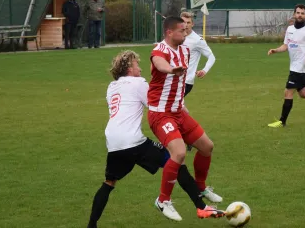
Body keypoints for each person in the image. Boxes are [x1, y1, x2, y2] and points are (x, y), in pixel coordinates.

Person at [87, 50, 224, 228]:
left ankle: (91, 225)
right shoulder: (138, 83)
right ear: (129, 67)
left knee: (109, 182)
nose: (140, 68)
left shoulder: (112, 87)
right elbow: (159, 104)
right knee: (177, 161)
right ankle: (201, 207)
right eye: (137, 64)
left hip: (113, 142)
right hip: (133, 141)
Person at [147, 16, 223, 221]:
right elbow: (160, 63)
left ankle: (201, 187)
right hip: (160, 114)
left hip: (178, 111)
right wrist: (171, 69)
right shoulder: (159, 50)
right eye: (182, 30)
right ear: (169, 32)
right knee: (179, 153)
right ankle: (163, 200)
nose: (186, 32)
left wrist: (182, 106)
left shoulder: (185, 50)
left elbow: (179, 86)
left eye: (186, 29)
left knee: (207, 146)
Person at [180, 12, 216, 97]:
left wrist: (204, 70)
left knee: (171, 106)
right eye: (183, 22)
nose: (186, 25)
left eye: (188, 22)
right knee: (173, 107)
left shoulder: (197, 40)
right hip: (172, 79)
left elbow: (211, 57)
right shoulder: (176, 36)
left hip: (186, 81)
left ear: (192, 24)